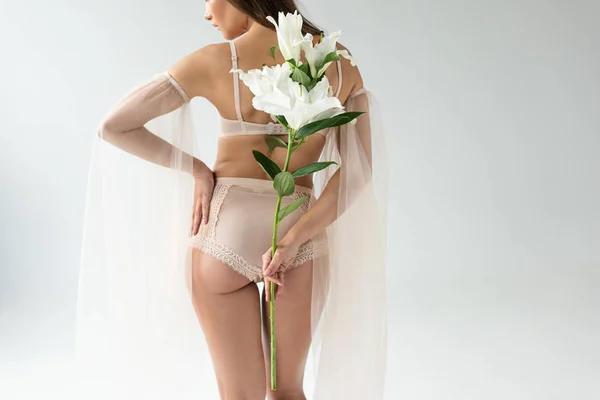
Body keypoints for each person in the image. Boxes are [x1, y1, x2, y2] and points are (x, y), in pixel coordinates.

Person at [74, 1, 389, 399]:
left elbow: (113, 126)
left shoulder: (215, 61)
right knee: (288, 390)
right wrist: (293, 239)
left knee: (240, 396)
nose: (207, 14)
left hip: (224, 231)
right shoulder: (339, 62)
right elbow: (356, 177)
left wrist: (196, 169)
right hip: (299, 232)